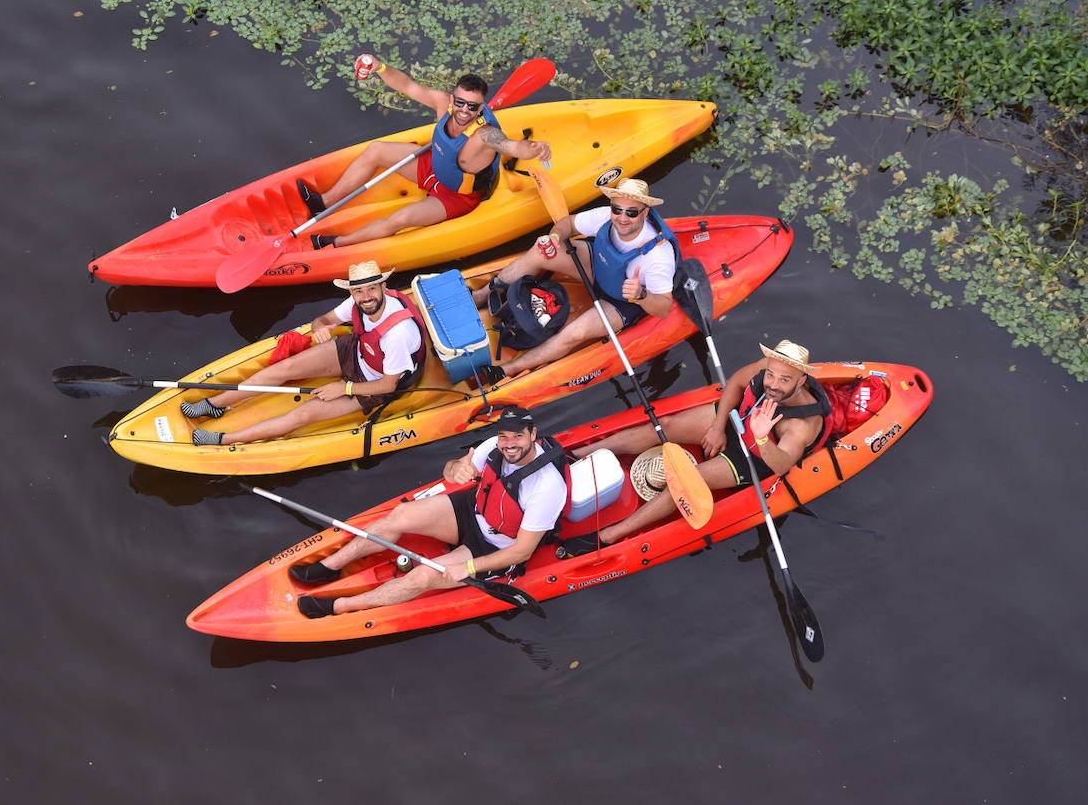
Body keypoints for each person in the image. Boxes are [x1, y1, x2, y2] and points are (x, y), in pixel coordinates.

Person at [289, 405, 568, 618]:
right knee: (400, 515)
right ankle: (330, 567)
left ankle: (342, 606)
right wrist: (455, 468)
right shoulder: (495, 448)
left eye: (518, 436)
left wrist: (467, 568)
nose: (509, 444)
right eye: (504, 436)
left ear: (532, 434)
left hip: (493, 546)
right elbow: (451, 468)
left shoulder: (546, 487)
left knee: (423, 576)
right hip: (472, 512)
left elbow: (522, 552)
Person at [560, 340, 833, 554]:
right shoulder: (768, 367)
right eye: (771, 375)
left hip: (757, 454)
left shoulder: (802, 425)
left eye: (784, 380)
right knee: (665, 424)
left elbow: (783, 465)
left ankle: (609, 535)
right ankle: (573, 455)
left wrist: (761, 438)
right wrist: (717, 426)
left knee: (688, 479)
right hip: (739, 419)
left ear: (801, 381)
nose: (772, 384)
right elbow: (737, 382)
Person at [304, 57, 552, 250]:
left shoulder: (485, 135)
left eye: (472, 106)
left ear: (481, 108)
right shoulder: (443, 103)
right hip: (433, 167)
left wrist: (534, 148)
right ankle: (323, 202)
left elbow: (510, 146)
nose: (464, 110)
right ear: (453, 98)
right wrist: (379, 67)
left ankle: (336, 243)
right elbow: (407, 86)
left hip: (455, 197)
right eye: (460, 102)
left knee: (400, 219)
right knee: (376, 150)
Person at [183, 261, 426, 446]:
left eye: (372, 288)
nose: (366, 297)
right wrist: (320, 329)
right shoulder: (357, 303)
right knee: (284, 369)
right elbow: (323, 319)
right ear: (352, 292)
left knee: (306, 413)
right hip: (357, 351)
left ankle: (224, 439)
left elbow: (388, 385)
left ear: (383, 286)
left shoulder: (398, 334)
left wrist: (345, 388)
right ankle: (213, 405)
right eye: (359, 291)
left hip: (374, 381)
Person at [470, 177, 678, 381]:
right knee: (539, 251)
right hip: (597, 268)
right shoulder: (606, 216)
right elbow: (568, 224)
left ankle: (509, 370)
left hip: (622, 301)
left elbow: (663, 308)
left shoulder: (658, 257)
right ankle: (481, 295)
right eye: (617, 209)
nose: (622, 218)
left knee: (576, 333)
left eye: (631, 212)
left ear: (646, 212)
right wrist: (554, 238)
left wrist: (641, 295)